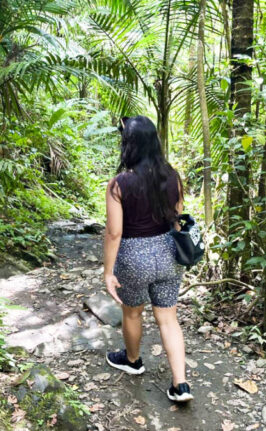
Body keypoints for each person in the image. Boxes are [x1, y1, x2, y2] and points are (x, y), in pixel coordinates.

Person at [102, 115, 193, 402]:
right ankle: (180, 385)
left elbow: (114, 233)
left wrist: (108, 272)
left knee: (132, 312)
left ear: (129, 144)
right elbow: (177, 219)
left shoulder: (118, 185)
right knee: (168, 318)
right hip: (168, 254)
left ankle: (133, 361)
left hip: (133, 256)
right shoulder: (172, 177)